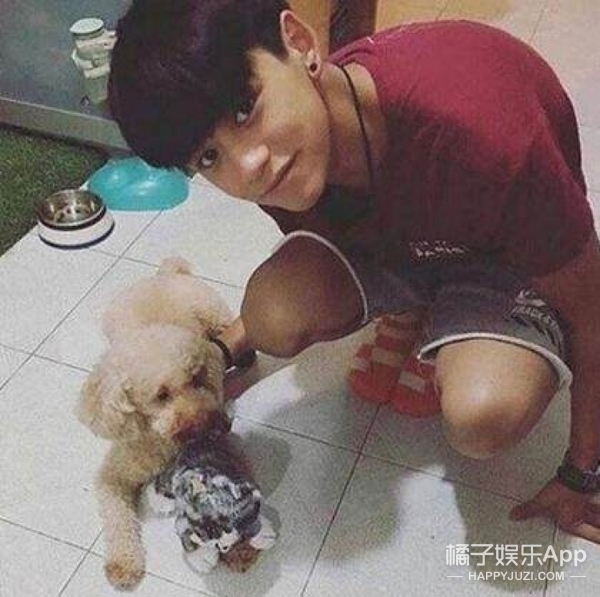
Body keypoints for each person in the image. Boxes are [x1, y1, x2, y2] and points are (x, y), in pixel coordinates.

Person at [108, 0, 600, 543]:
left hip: (504, 256)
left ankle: (447, 316)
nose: (247, 165)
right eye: (208, 157)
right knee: (272, 314)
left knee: (483, 416)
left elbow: (593, 309)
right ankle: (418, 307)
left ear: (299, 43)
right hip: (405, 242)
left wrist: (582, 473)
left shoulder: (476, 130)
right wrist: (219, 353)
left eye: (245, 108)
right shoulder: (289, 148)